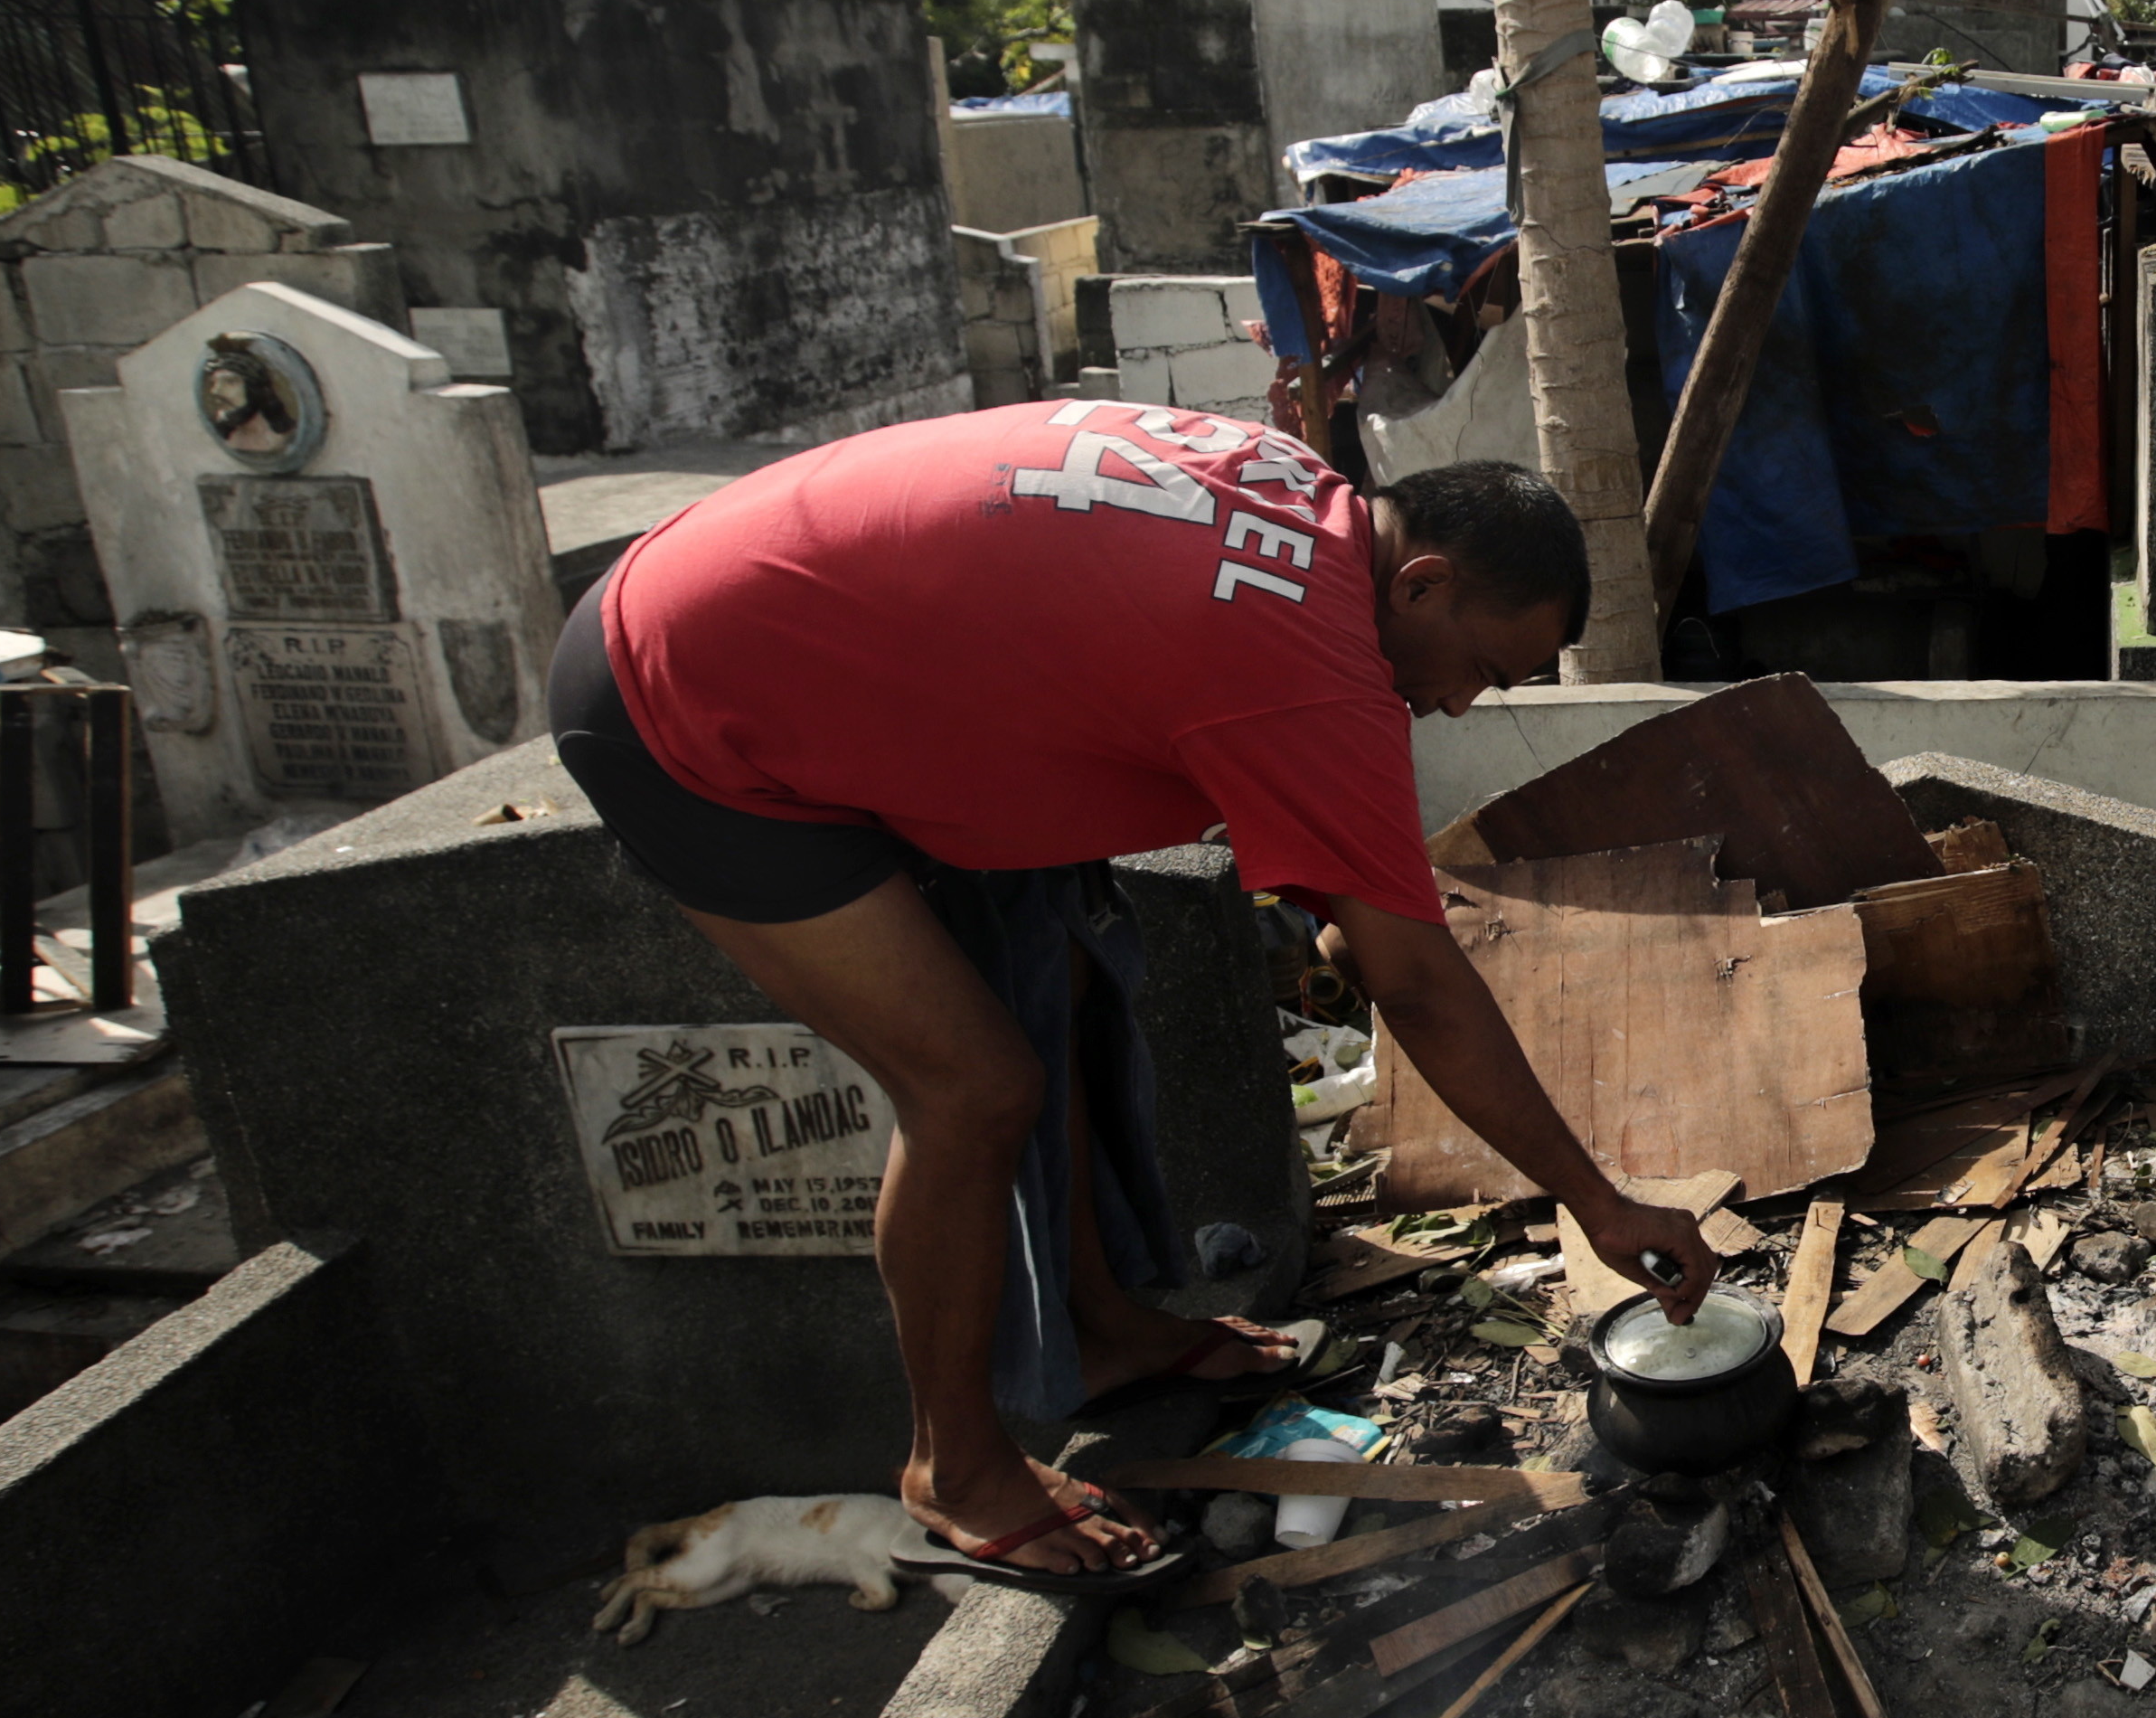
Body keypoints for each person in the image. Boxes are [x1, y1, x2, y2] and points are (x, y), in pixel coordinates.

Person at [548, 410, 1720, 1586]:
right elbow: (1410, 983)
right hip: (679, 701)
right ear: (1419, 586)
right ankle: (952, 1466)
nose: (1463, 706)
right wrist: (1598, 1201)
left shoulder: (1296, 488)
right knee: (970, 1086)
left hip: (746, 595)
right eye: (1484, 669)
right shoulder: (1309, 669)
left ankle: (1103, 1330)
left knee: (1047, 984)